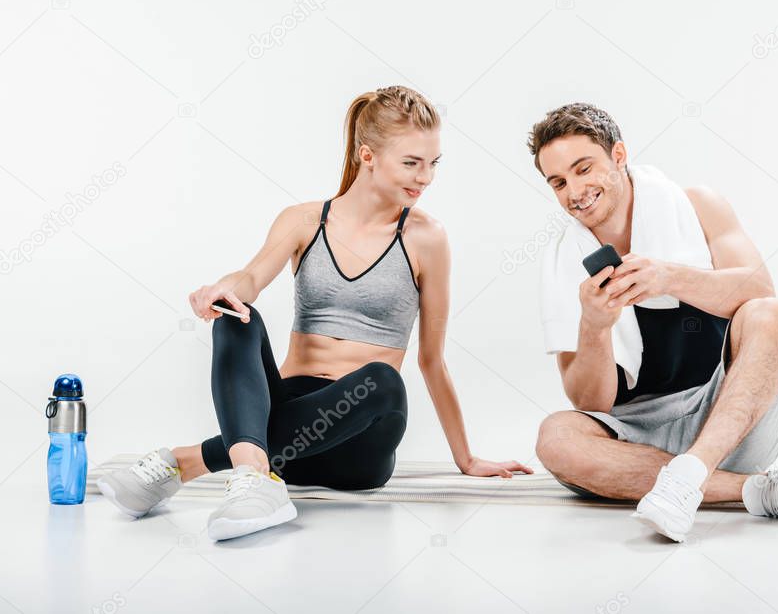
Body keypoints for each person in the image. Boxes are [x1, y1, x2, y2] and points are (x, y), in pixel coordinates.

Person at [98, 85, 533, 541]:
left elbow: (431, 359)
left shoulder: (427, 237)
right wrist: (222, 290)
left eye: (433, 164)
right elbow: (250, 278)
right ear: (368, 155)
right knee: (235, 314)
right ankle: (255, 478)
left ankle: (183, 463)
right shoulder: (305, 219)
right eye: (411, 163)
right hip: (287, 422)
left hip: (359, 444)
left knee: (384, 380)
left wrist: (466, 459)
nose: (425, 178)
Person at [529, 102, 778, 543]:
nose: (575, 191)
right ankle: (750, 490)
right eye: (559, 182)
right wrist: (595, 326)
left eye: (584, 168)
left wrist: (668, 276)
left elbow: (760, 289)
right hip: (636, 434)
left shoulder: (698, 206)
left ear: (619, 156)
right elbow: (593, 402)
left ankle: (697, 467)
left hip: (727, 421)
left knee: (768, 312)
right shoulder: (563, 263)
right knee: (555, 436)